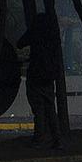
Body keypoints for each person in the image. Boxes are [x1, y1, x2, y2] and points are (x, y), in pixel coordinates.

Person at [16, 10, 63, 149]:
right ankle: (57, 139)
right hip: (49, 77)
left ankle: (39, 139)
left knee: (39, 110)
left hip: (36, 76)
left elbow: (20, 43)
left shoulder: (35, 32)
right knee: (50, 109)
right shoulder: (53, 36)